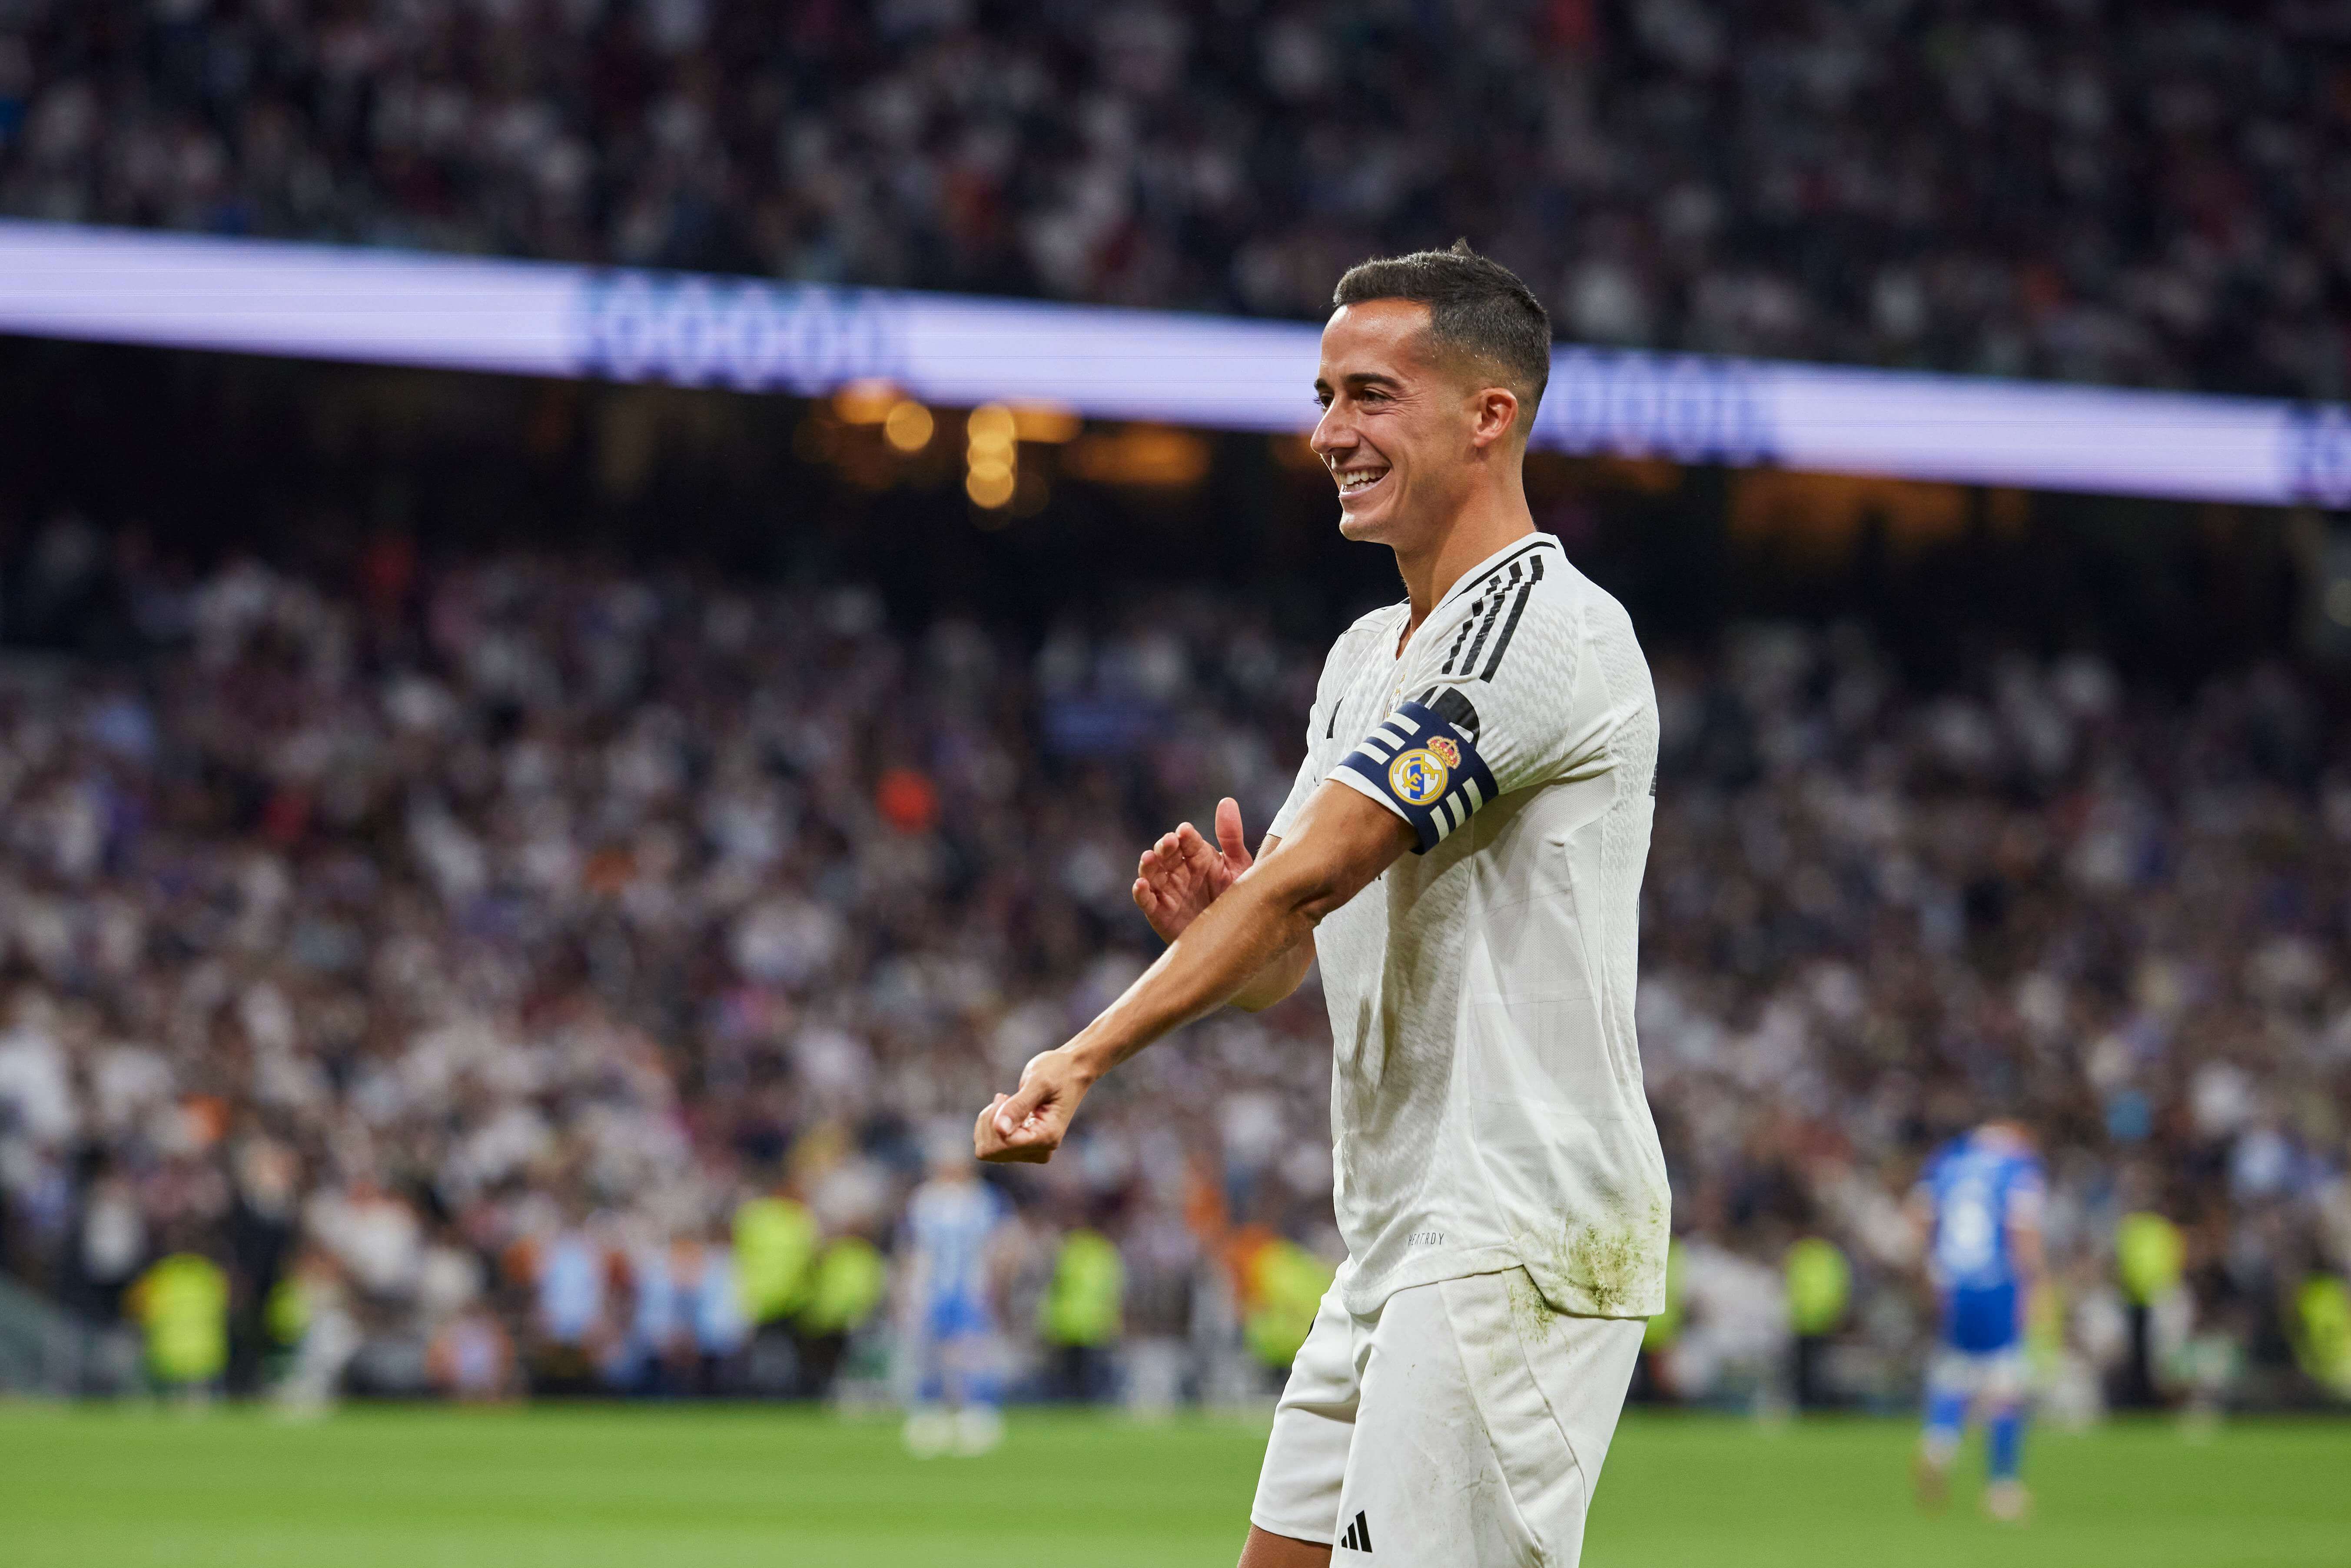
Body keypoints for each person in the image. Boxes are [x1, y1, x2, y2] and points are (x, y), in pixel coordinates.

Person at [974, 242, 1669, 1566]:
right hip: (1405, 1232)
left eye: (1368, 396)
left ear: (1489, 414)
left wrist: (1082, 1052)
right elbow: (1292, 942)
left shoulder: (1542, 627)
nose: (1327, 433)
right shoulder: (1367, 656)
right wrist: (1229, 934)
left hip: (1516, 1225)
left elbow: (1316, 868)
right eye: (1323, 395)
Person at [1909, 1120, 2046, 1523]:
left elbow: (1918, 1222)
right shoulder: (2017, 1169)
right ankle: (2002, 1488)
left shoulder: (1945, 1164)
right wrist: (2034, 1285)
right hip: (1997, 1283)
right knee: (2005, 1386)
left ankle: (1939, 1446)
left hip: (1952, 1283)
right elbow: (2023, 1232)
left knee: (1955, 1373)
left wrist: (1930, 1273)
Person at [899, 1132, 1013, 1457]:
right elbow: (911, 1249)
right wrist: (908, 1289)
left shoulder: (984, 1199)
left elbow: (1001, 1247)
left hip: (972, 1288)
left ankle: (976, 1412)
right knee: (930, 1353)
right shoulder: (924, 1200)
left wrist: (997, 1287)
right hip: (932, 1288)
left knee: (972, 1352)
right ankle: (930, 1413)